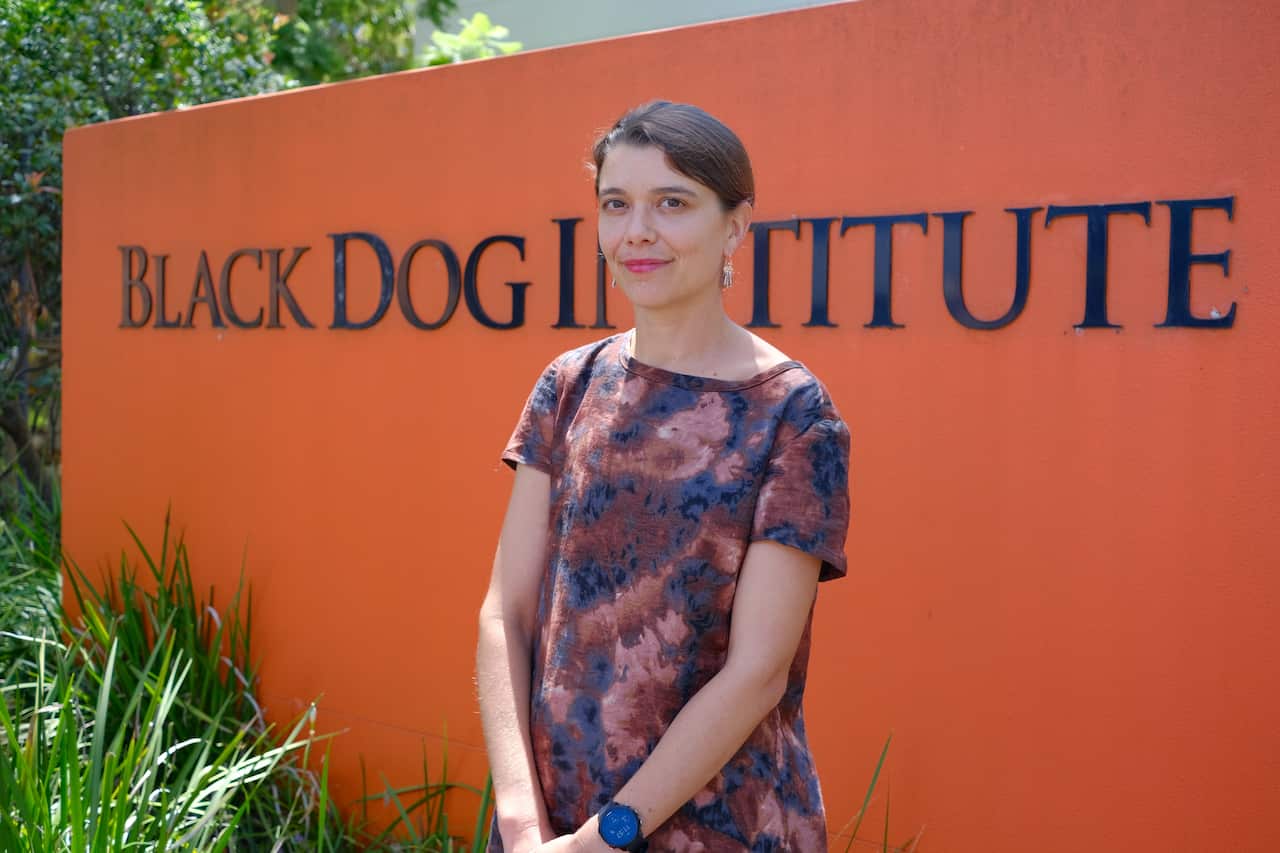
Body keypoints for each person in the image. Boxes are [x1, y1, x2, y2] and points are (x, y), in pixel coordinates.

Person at [476, 100, 851, 853]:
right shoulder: (569, 383)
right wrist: (521, 823)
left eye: (671, 203)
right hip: (545, 825)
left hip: (715, 828)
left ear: (736, 225)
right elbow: (505, 614)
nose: (636, 232)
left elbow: (757, 672)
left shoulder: (793, 414)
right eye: (616, 205)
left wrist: (603, 839)